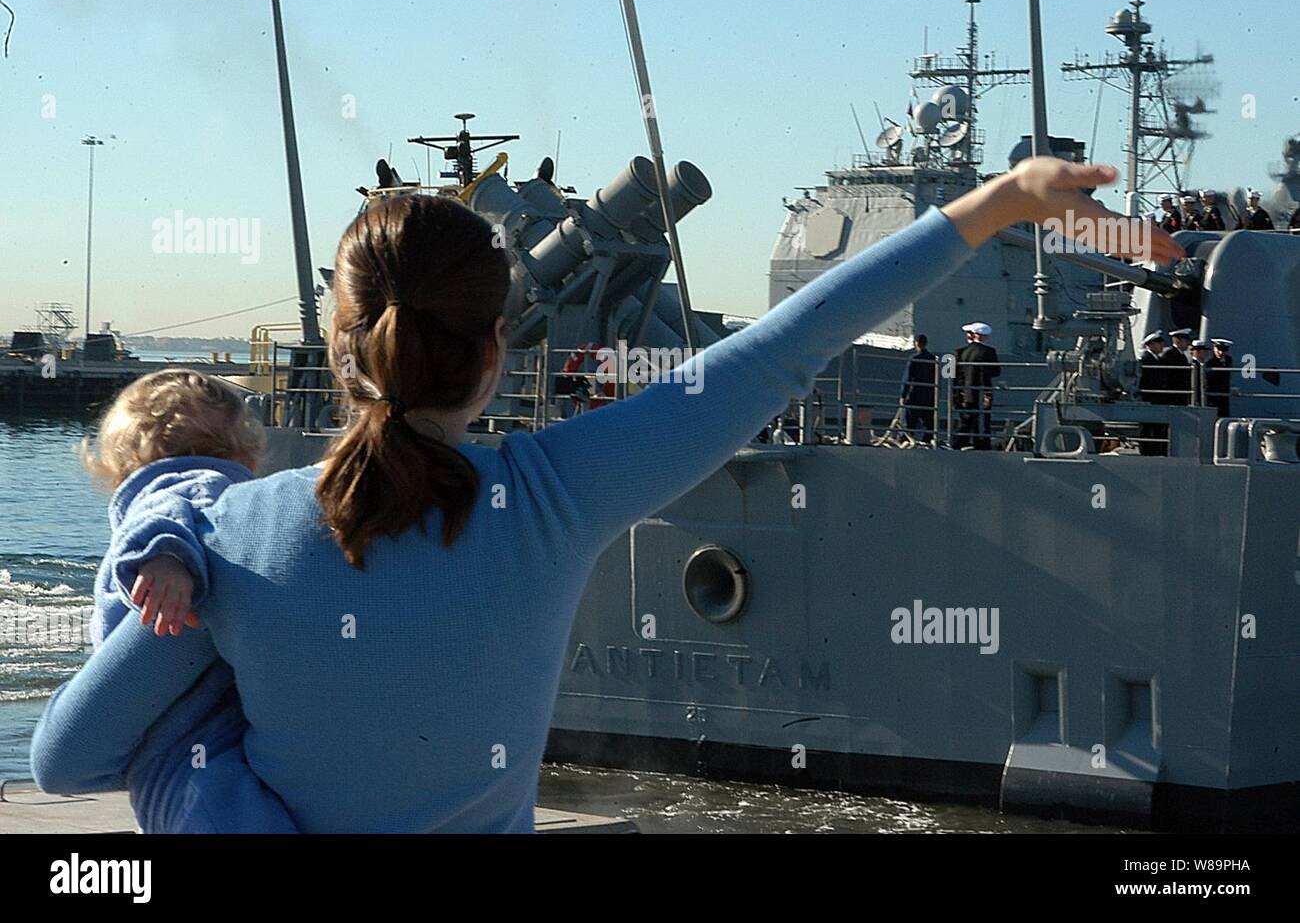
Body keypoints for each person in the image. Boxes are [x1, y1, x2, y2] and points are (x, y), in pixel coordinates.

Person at [29, 158, 1182, 832]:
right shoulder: (552, 496)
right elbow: (784, 349)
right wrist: (995, 201)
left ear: (340, 350)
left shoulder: (224, 530)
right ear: (494, 348)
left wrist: (211, 765)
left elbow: (67, 757)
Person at [77, 369, 297, 833]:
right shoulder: (214, 485)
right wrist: (168, 557)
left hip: (161, 713)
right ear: (245, 453)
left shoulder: (159, 491)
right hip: (195, 705)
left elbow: (171, 511)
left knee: (191, 807)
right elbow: (178, 510)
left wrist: (167, 557)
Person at [954, 322, 1000, 450]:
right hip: (981, 392)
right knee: (982, 419)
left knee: (967, 419)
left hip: (966, 392)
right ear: (985, 336)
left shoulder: (962, 351)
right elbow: (994, 372)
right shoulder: (989, 352)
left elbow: (958, 374)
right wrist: (987, 394)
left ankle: (959, 442)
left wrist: (959, 393)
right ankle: (982, 443)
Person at [900, 333, 937, 444]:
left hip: (915, 393)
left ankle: (905, 439)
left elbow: (907, 379)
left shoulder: (913, 358)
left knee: (910, 419)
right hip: (929, 394)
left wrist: (903, 395)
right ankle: (928, 440)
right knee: (928, 420)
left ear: (916, 343)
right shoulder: (933, 359)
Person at [1137, 331, 1169, 454]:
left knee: (1156, 426)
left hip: (1157, 397)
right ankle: (1146, 450)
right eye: (1158, 343)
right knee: (1146, 426)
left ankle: (1155, 449)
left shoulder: (1157, 359)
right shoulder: (1146, 359)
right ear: (1150, 345)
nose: (1161, 346)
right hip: (1149, 397)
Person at [1160, 328, 1193, 406]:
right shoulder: (1169, 354)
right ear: (1178, 341)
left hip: (1180, 392)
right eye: (1186, 341)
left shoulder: (1182, 355)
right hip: (1172, 392)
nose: (1188, 343)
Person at [1206, 338, 1235, 417]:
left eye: (1224, 350)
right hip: (1213, 394)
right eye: (1218, 349)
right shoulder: (1209, 362)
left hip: (1224, 393)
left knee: (1224, 413)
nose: (1221, 352)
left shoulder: (1228, 360)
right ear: (1214, 348)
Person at [1189, 339, 1212, 406]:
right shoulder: (1193, 365)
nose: (1205, 353)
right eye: (1203, 350)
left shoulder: (1201, 364)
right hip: (1196, 396)